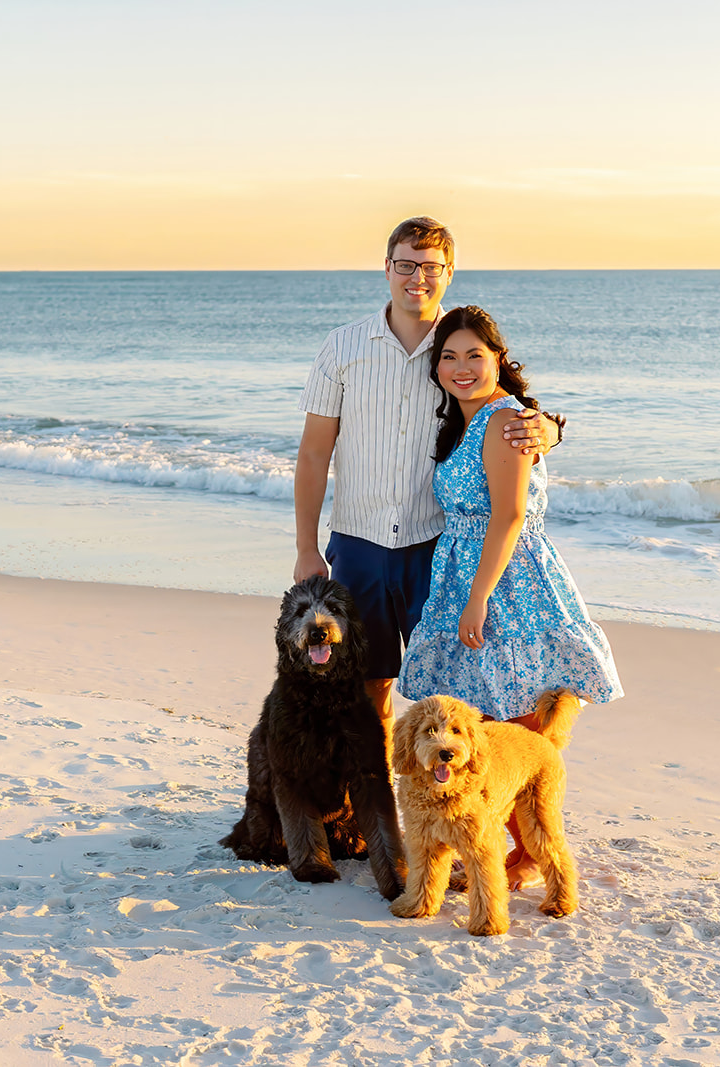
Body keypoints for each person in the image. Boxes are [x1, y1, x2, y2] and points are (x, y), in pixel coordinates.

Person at [293, 217, 561, 722]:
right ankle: (369, 798)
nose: (418, 277)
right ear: (387, 268)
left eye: (431, 267)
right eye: (406, 265)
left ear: (450, 272)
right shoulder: (342, 348)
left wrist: (547, 428)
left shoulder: (456, 348)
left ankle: (447, 799)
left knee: (453, 695)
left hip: (436, 550)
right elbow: (313, 454)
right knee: (362, 685)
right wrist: (307, 547)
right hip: (357, 543)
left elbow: (503, 409)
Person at [398, 304, 622, 886]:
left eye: (475, 354)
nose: (461, 367)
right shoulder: (472, 421)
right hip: (468, 573)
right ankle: (490, 846)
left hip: (506, 580)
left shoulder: (505, 421)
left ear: (499, 358)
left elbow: (511, 515)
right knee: (487, 718)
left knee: (517, 721)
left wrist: (477, 600)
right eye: (448, 357)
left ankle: (527, 854)